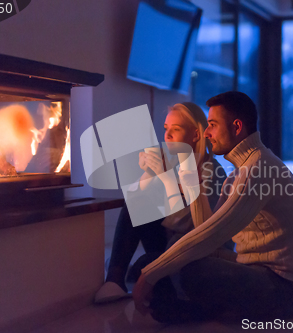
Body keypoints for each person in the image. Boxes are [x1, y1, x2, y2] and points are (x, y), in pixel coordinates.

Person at [132, 91, 293, 323]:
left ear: (237, 126)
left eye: (212, 124)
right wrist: (193, 182)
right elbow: (207, 231)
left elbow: (210, 236)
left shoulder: (257, 170)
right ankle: (189, 307)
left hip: (288, 289)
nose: (207, 132)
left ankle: (196, 312)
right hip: (257, 268)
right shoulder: (241, 171)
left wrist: (149, 276)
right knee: (156, 262)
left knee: (190, 271)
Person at [94, 102, 228, 303]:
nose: (168, 136)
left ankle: (140, 274)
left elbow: (189, 226)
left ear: (195, 135)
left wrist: (165, 180)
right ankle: (114, 279)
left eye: (176, 129)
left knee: (144, 265)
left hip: (195, 252)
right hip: (171, 244)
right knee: (137, 200)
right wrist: (147, 175)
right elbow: (134, 205)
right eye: (166, 129)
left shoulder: (211, 172)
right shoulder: (174, 164)